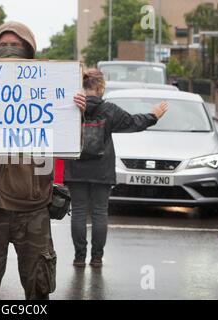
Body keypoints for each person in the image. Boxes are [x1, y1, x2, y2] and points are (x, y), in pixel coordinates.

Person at [0, 21, 86, 300]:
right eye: (3, 46)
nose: (9, 50)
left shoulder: (47, 94)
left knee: (38, 291)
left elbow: (69, 143)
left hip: (33, 210)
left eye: (16, 46)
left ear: (29, 52)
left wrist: (76, 113)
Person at [63, 69, 168, 268]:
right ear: (101, 87)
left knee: (78, 212)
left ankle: (79, 257)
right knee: (100, 213)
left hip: (75, 168)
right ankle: (96, 258)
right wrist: (153, 115)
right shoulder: (110, 110)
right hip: (102, 170)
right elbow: (134, 123)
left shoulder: (71, 107)